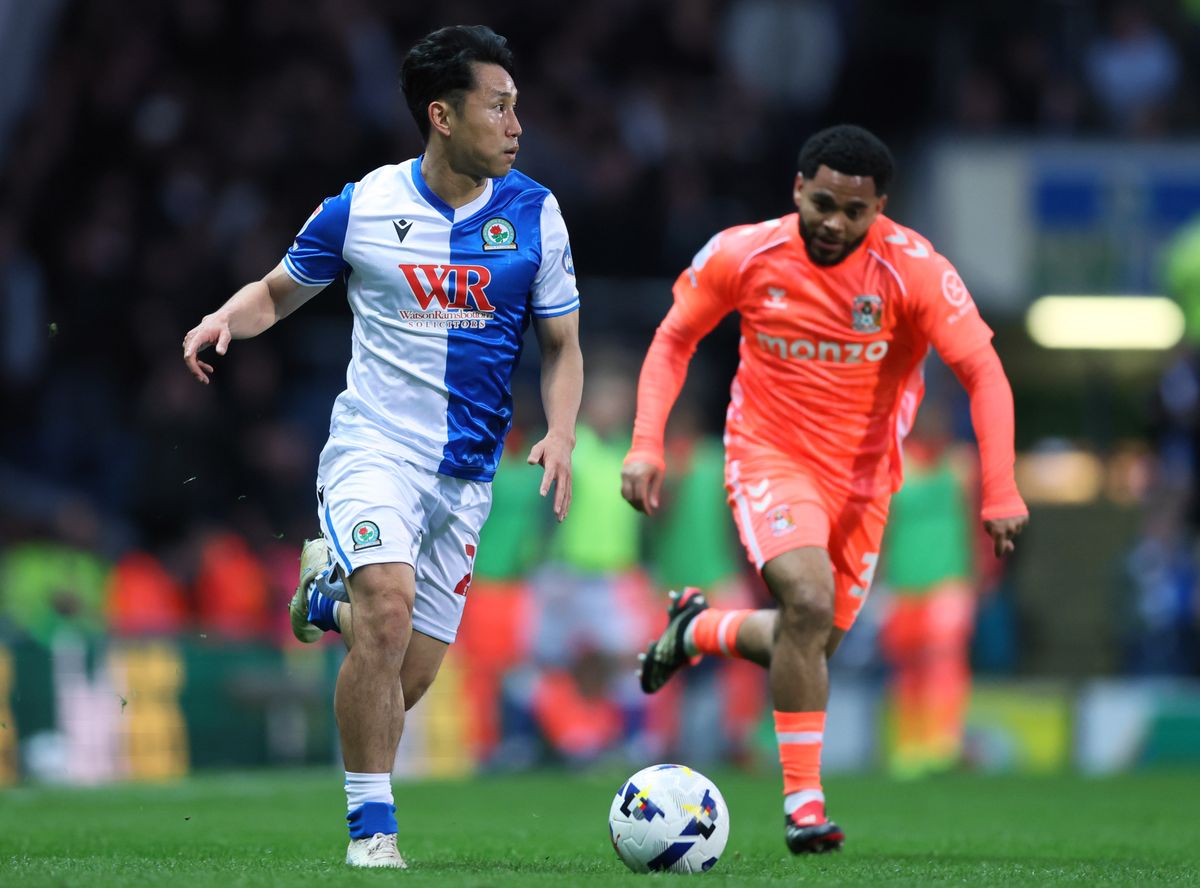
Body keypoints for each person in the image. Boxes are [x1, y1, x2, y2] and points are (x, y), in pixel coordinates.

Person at [182, 25, 582, 869]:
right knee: (390, 607)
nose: (516, 126)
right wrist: (225, 319)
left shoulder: (536, 215)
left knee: (406, 674)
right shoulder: (362, 206)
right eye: (499, 107)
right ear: (442, 116)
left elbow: (563, 346)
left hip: (469, 476)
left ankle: (330, 599)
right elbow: (278, 291)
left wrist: (563, 431)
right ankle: (373, 834)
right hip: (375, 449)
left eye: (518, 109)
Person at [620, 124, 1027, 854]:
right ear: (798, 191)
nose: (835, 224)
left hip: (868, 480)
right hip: (769, 455)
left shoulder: (914, 270)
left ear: (881, 209)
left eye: (855, 211)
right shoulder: (745, 253)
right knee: (806, 601)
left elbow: (983, 373)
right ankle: (804, 804)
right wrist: (648, 441)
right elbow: (675, 338)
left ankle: (698, 629)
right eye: (824, 204)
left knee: (809, 642)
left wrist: (999, 489)